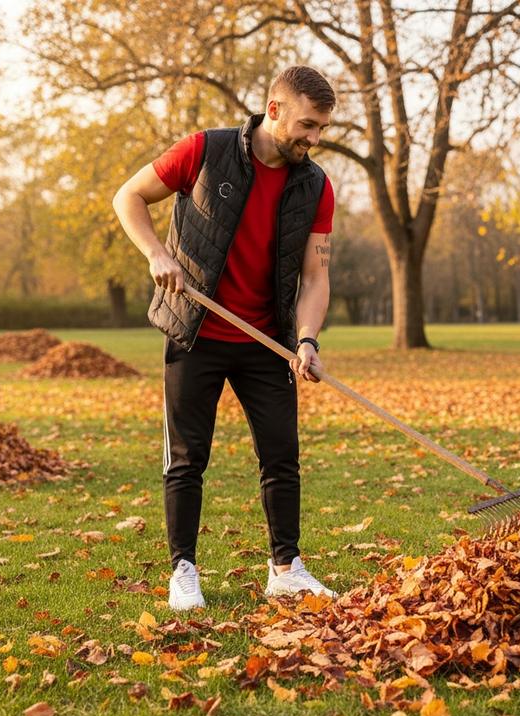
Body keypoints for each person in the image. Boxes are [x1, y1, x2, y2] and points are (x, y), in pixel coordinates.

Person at [112, 65, 338, 610]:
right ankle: (183, 572)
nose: (313, 139)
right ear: (275, 108)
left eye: (322, 129)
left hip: (267, 342)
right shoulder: (204, 151)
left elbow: (316, 276)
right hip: (197, 332)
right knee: (188, 459)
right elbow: (129, 197)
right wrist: (156, 253)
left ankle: (285, 569)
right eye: (306, 125)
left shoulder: (316, 185)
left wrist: (306, 340)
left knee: (282, 457)